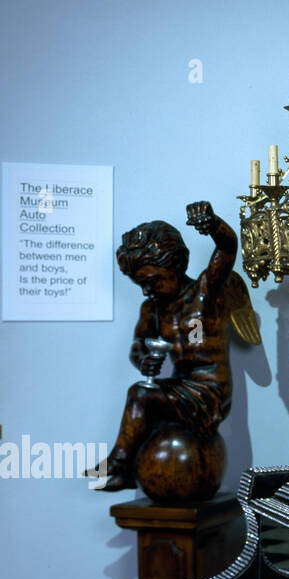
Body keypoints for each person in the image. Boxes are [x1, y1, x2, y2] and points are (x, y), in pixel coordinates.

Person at [87, 202, 251, 491]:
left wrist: (212, 224)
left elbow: (227, 248)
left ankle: (120, 465)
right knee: (142, 394)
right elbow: (137, 347)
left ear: (174, 266)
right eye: (139, 284)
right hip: (180, 384)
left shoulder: (205, 292)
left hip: (210, 390)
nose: (146, 290)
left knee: (139, 395)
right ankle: (122, 466)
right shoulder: (152, 309)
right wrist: (144, 360)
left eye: (152, 281)